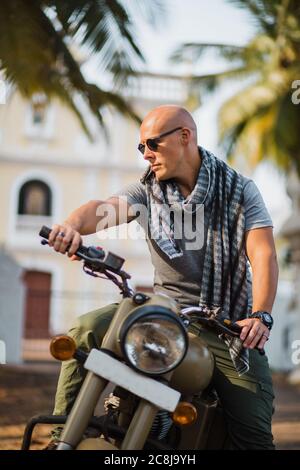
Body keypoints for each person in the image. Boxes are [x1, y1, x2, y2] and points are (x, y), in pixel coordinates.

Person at [46, 105, 278, 450]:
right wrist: (71, 226)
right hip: (162, 311)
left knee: (254, 434)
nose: (147, 155)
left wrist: (260, 315)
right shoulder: (147, 192)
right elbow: (102, 207)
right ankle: (61, 436)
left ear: (184, 137)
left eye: (152, 144)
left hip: (226, 323)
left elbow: (263, 254)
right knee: (84, 331)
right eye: (141, 148)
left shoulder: (240, 191)